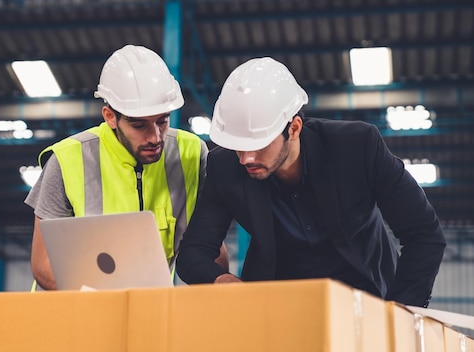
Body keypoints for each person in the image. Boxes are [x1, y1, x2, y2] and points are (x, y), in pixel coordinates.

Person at [176, 57, 446, 307]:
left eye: (258, 145)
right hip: (282, 305)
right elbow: (193, 253)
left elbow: (423, 233)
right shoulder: (224, 167)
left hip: (368, 295)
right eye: (238, 146)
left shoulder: (357, 147)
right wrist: (222, 280)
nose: (246, 158)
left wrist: (401, 311)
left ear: (293, 128)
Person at [25, 44, 228, 290]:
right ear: (110, 116)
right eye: (139, 125)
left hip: (149, 312)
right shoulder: (66, 160)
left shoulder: (192, 154)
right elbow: (43, 265)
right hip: (73, 315)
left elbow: (211, 249)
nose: (155, 137)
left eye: (162, 121)